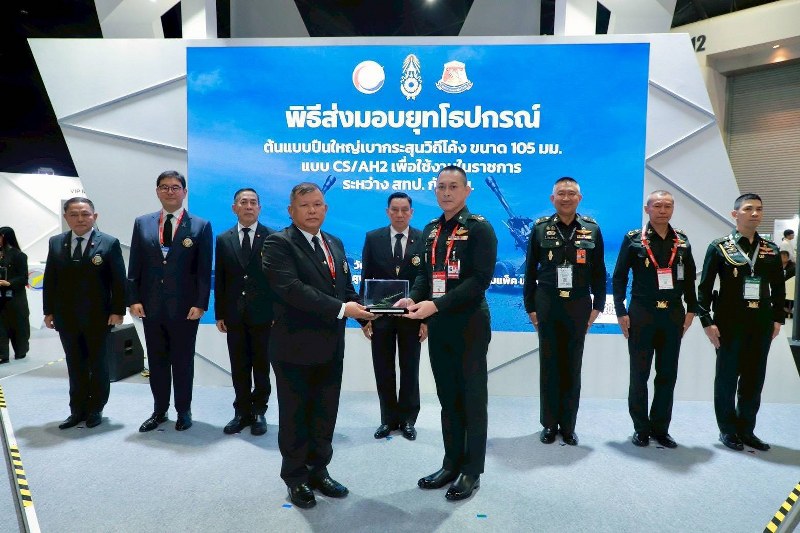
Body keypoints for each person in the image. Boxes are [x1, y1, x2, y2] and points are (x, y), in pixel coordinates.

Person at [262, 182, 375, 509]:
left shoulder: (334, 243)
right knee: (295, 415)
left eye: (317, 204)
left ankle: (319, 470)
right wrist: (343, 309)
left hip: (331, 346)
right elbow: (292, 289)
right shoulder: (278, 243)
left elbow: (345, 288)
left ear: (325, 208)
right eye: (305, 205)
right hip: (293, 347)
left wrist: (365, 316)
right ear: (291, 210)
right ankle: (296, 477)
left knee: (325, 412)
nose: (312, 210)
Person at [400, 165, 497, 502]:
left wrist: (436, 305)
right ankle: (450, 463)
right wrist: (414, 297)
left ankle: (472, 471)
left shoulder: (480, 228)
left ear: (467, 191)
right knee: (448, 398)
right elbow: (426, 277)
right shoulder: (430, 230)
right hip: (439, 324)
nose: (446, 192)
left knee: (472, 399)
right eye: (441, 186)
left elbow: (479, 280)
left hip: (469, 323)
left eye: (453, 186)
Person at [698, 193, 784, 452]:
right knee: (727, 378)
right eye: (748, 209)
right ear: (735, 214)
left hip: (761, 322)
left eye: (759, 209)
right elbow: (704, 288)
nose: (755, 213)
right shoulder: (720, 247)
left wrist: (778, 319)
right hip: (729, 323)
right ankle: (727, 430)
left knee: (753, 378)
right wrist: (707, 321)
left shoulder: (770, 249)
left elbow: (779, 288)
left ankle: (747, 430)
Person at [523, 177, 606, 446]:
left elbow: (599, 271)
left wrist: (598, 306)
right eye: (561, 193)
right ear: (553, 199)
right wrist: (530, 307)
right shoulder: (540, 229)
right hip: (547, 302)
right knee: (549, 365)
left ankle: (568, 425)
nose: (566, 198)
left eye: (571, 194)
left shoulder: (591, 229)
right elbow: (530, 271)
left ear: (579, 198)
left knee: (572, 365)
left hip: (578, 304)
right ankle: (549, 424)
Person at [128, 170, 213, 432]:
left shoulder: (200, 226)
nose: (170, 191)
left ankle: (183, 411)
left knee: (183, 362)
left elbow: (203, 271)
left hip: (186, 309)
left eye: (175, 187)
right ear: (157, 191)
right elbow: (135, 266)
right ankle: (159, 411)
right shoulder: (142, 223)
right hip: (151, 306)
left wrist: (200, 303)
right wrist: (133, 299)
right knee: (157, 362)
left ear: (184, 192)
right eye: (164, 187)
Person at [611, 191, 698, 448]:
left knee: (667, 374)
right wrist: (620, 311)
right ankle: (641, 428)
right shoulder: (634, 239)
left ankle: (661, 428)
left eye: (667, 206)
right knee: (639, 373)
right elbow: (619, 277)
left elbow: (690, 277)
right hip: (642, 313)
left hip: (672, 314)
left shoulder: (682, 240)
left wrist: (691, 309)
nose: (662, 210)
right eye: (657, 206)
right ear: (647, 209)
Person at [42, 198, 126, 429]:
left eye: (85, 214)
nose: (80, 219)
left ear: (94, 217)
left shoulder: (109, 243)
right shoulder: (56, 242)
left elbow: (118, 281)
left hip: (98, 316)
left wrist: (118, 311)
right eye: (74, 214)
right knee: (75, 363)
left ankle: (96, 408)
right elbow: (50, 279)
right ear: (66, 217)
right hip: (66, 316)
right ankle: (76, 410)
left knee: (98, 364)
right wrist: (48, 311)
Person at [360, 192, 426, 441]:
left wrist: (425, 319)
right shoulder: (373, 238)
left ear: (412, 212)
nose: (399, 214)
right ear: (388, 212)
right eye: (395, 210)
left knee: (410, 367)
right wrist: (365, 317)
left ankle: (408, 420)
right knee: (383, 367)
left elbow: (427, 281)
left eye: (404, 210)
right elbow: (365, 279)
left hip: (412, 316)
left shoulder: (423, 238)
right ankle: (387, 419)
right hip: (380, 316)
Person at [215, 188, 274, 436]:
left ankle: (259, 411)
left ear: (259, 208)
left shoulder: (272, 237)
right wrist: (220, 313)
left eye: (253, 202)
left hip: (264, 315)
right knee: (239, 365)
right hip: (234, 315)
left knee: (261, 365)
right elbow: (220, 278)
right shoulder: (223, 239)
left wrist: (277, 313)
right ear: (234, 208)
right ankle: (241, 412)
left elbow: (276, 280)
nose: (248, 206)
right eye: (243, 202)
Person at [0, 227, 30, 364]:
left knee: (18, 326)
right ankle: (2, 355)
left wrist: (9, 283)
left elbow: (23, 278)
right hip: (1, 299)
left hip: (15, 298)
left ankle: (21, 351)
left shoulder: (19, 255)